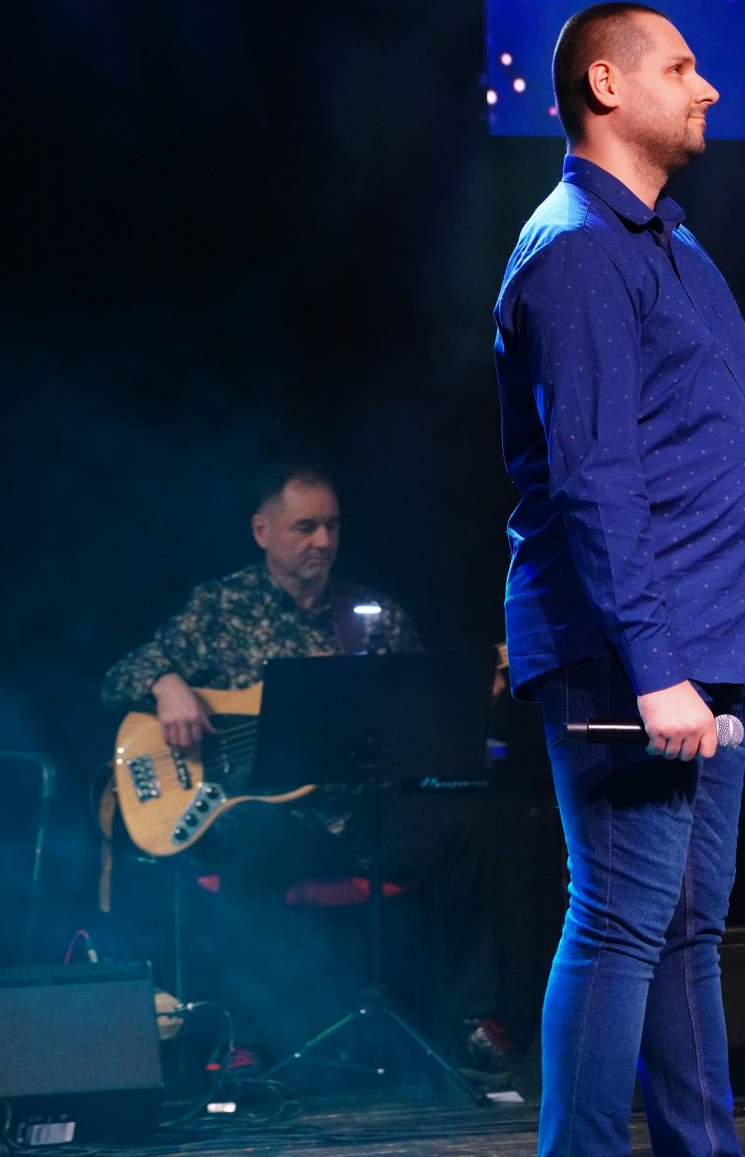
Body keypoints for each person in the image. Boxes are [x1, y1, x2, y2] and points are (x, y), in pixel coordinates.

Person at [493, 1, 745, 1157]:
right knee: (621, 920)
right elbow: (595, 477)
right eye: (681, 66)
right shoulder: (574, 248)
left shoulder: (668, 242)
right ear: (608, 86)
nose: (706, 87)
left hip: (706, 638)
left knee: (685, 931)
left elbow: (710, 449)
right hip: (629, 651)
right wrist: (658, 667)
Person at [101, 459, 521, 1075]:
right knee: (254, 835)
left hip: (364, 817)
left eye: (332, 526)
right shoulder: (219, 607)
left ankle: (475, 1020)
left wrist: (466, 702)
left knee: (468, 823)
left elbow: (423, 723)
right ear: (262, 530)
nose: (322, 541)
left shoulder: (373, 614)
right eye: (304, 527)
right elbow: (120, 675)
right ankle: (244, 1036)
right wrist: (166, 684)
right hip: (276, 827)